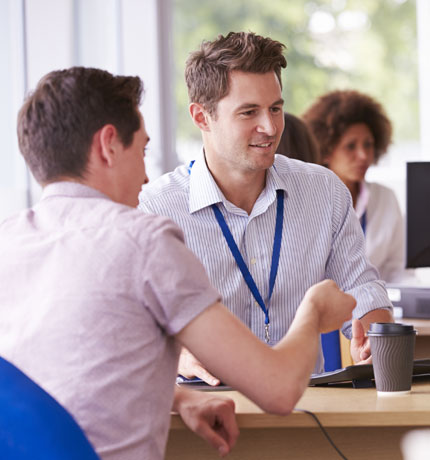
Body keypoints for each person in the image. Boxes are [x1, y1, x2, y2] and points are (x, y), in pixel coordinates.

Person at [0, 66, 355, 460]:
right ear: (108, 146)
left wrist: (178, 396)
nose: (147, 173)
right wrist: (315, 308)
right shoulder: (143, 239)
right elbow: (279, 390)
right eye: (143, 149)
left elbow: (60, 376)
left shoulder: (9, 240)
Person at [138, 31, 394, 385]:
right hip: (206, 406)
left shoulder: (324, 191)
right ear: (201, 117)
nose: (270, 127)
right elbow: (136, 325)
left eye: (276, 108)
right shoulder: (156, 208)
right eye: (249, 112)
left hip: (307, 404)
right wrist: (177, 354)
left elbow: (362, 287)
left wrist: (372, 335)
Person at [302, 89, 412, 283]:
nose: (363, 155)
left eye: (368, 144)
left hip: (378, 309)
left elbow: (398, 270)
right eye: (350, 146)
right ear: (326, 151)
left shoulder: (385, 198)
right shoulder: (307, 201)